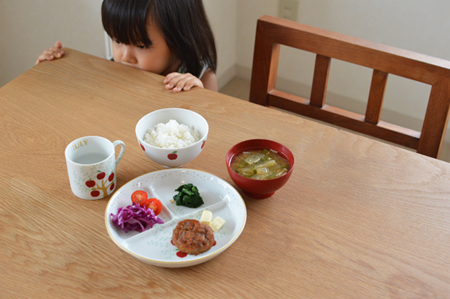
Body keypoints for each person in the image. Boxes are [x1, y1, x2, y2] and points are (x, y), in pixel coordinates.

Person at [35, 0, 217, 92]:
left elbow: (213, 134)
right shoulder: (114, 67)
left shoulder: (202, 78)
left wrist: (197, 98)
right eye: (118, 41)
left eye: (141, 46)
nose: (124, 57)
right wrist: (52, 70)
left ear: (178, 38)